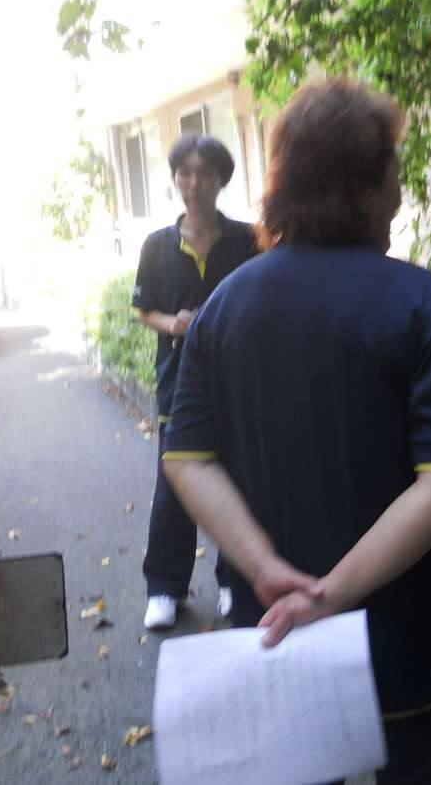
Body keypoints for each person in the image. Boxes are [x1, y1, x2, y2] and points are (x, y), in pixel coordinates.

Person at [161, 79, 431, 783]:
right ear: (365, 186)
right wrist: (334, 594)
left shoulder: (225, 308)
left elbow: (187, 459)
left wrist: (264, 569)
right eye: (395, 167)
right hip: (402, 637)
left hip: (275, 631)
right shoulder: (424, 305)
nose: (400, 188)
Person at [132, 134, 259, 629]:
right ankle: (165, 588)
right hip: (179, 381)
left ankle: (235, 580)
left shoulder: (248, 240)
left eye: (205, 173)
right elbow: (145, 310)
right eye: (185, 173)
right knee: (173, 486)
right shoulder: (156, 245)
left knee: (238, 481)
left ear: (221, 179)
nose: (194, 183)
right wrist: (174, 323)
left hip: (237, 380)